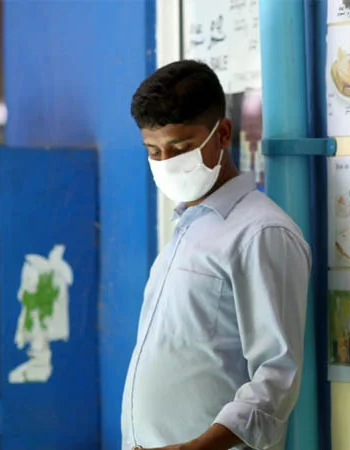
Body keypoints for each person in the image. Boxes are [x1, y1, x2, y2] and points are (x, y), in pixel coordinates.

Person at [121, 60, 311, 450]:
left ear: (222, 134)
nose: (166, 163)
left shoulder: (260, 233)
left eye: (181, 148)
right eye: (153, 151)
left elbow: (276, 378)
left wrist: (197, 447)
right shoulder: (187, 228)